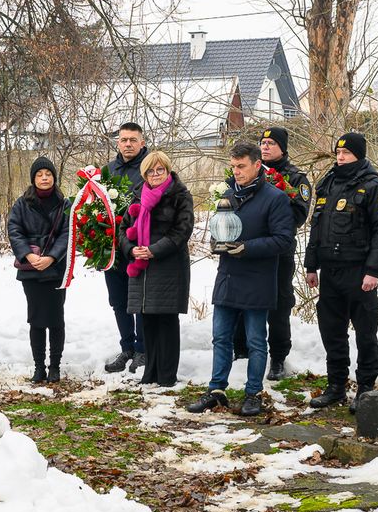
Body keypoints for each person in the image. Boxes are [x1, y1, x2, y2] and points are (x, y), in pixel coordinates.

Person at [187, 143, 295, 417]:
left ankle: (253, 393)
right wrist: (216, 242)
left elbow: (283, 240)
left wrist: (247, 248)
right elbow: (219, 228)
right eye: (233, 166)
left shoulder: (275, 198)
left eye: (241, 166)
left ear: (257, 165)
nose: (236, 172)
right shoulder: (227, 195)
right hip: (228, 276)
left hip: (258, 279)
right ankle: (216, 391)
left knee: (257, 341)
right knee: (221, 337)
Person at [304, 132, 378, 414]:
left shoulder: (374, 186)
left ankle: (365, 386)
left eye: (347, 154)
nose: (340, 158)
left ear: (359, 155)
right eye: (338, 153)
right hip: (330, 271)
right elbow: (316, 227)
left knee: (365, 332)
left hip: (359, 272)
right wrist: (310, 265)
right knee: (332, 331)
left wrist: (373, 271)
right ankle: (336, 386)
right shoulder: (327, 184)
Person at [232, 126, 310, 379]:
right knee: (241, 300)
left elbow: (298, 216)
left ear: (283, 147)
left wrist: (275, 200)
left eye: (271, 143)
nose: (265, 146)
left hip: (278, 252)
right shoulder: (244, 171)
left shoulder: (296, 178)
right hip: (245, 248)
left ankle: (277, 358)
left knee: (279, 305)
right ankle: (241, 351)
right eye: (263, 142)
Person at [119, 151, 193, 388]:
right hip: (142, 266)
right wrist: (131, 250)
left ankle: (167, 375)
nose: (155, 174)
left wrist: (153, 250)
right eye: (150, 171)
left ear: (168, 170)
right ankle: (149, 372)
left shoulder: (180, 195)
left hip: (168, 265)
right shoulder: (138, 194)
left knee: (166, 321)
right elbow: (123, 229)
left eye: (159, 169)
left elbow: (182, 231)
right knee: (147, 320)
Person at [7, 156, 70, 383]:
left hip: (56, 268)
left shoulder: (64, 203)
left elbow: (67, 233)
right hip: (31, 268)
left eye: (48, 174)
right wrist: (29, 255)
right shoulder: (22, 203)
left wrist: (52, 257)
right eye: (40, 175)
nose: (44, 178)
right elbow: (14, 230)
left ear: (54, 177)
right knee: (36, 318)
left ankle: (55, 366)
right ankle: (38, 366)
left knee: (55, 317)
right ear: (33, 179)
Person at [102, 123, 147, 373]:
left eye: (133, 139)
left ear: (142, 142)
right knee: (118, 301)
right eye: (123, 140)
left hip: (139, 248)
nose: (128, 144)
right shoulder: (108, 170)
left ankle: (142, 349)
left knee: (138, 301)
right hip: (113, 249)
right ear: (117, 142)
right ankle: (127, 347)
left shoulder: (150, 168)